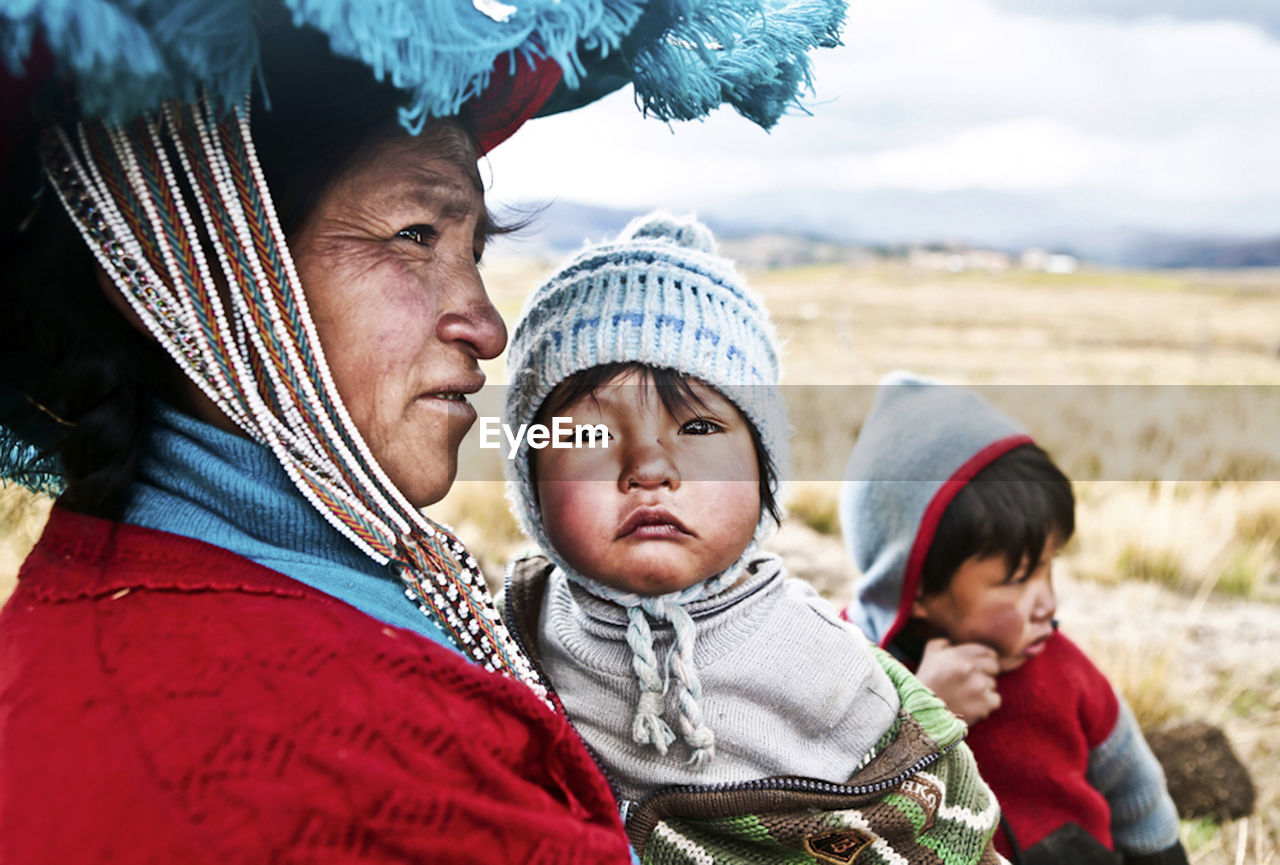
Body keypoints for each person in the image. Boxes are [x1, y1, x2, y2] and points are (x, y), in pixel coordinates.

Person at [0, 2, 846, 862]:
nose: (487, 325)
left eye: (473, 249)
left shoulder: (175, 599)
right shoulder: (324, 750)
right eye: (414, 235)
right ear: (199, 262)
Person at [499, 213, 1004, 864]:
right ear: (530, 481)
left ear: (764, 465)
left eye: (700, 429)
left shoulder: (828, 669)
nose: (649, 469)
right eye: (590, 435)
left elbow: (949, 825)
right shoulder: (511, 629)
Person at [839, 372, 1187, 865]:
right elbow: (831, 816)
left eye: (1051, 565)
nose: (1048, 603)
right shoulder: (845, 672)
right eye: (1018, 578)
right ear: (912, 584)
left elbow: (1136, 790)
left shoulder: (1062, 670)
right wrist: (922, 721)